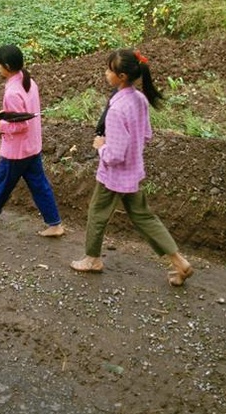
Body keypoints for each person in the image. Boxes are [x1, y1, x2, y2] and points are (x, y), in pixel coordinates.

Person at [71, 48, 194, 286]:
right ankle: (179, 261)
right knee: (144, 217)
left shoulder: (116, 110)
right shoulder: (139, 99)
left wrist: (100, 146)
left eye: (110, 70)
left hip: (114, 175)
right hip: (133, 171)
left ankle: (92, 259)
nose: (106, 73)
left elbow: (115, 155)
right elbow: (146, 135)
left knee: (97, 213)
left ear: (122, 76)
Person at [0, 44, 65, 237]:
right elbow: (25, 116)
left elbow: (21, 125)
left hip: (17, 150)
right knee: (39, 184)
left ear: (6, 65)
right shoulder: (28, 81)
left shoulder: (12, 92)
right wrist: (4, 116)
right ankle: (54, 224)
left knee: (2, 182)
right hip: (32, 146)